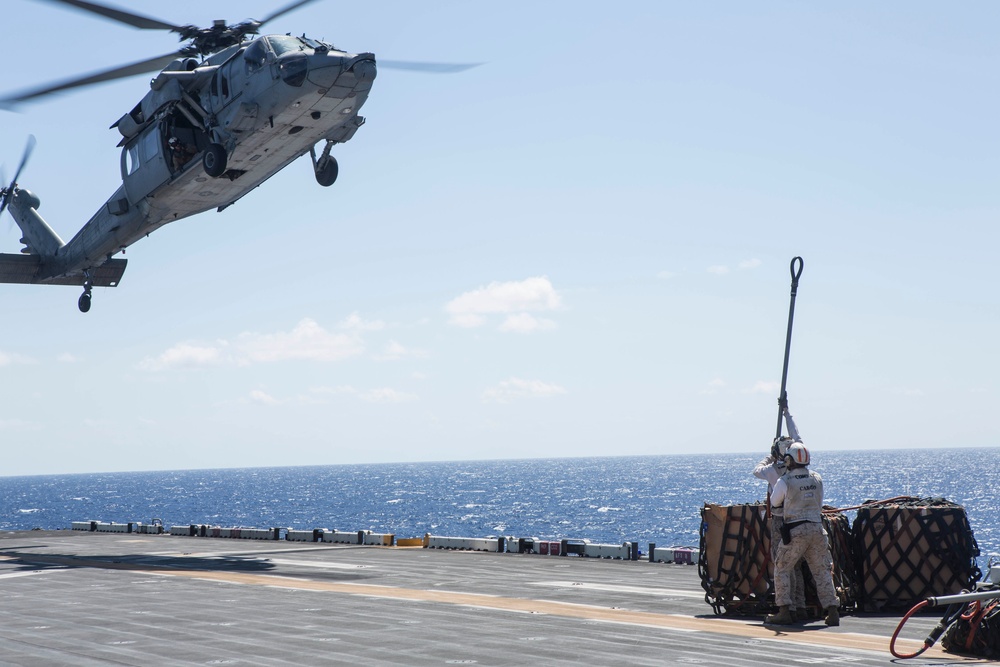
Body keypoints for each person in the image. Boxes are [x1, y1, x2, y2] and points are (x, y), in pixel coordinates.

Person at [765, 441, 841, 627]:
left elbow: (775, 502)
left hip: (795, 529)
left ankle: (785, 610)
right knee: (821, 570)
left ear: (789, 460)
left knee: (782, 567)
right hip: (816, 528)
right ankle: (832, 611)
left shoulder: (785, 481)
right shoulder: (817, 478)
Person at [753, 410, 807, 620]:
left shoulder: (772, 471)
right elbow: (799, 438)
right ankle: (800, 605)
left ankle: (787, 607)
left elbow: (756, 470)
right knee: (798, 564)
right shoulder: (802, 469)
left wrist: (770, 456)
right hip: (801, 518)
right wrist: (787, 415)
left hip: (780, 520)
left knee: (782, 564)